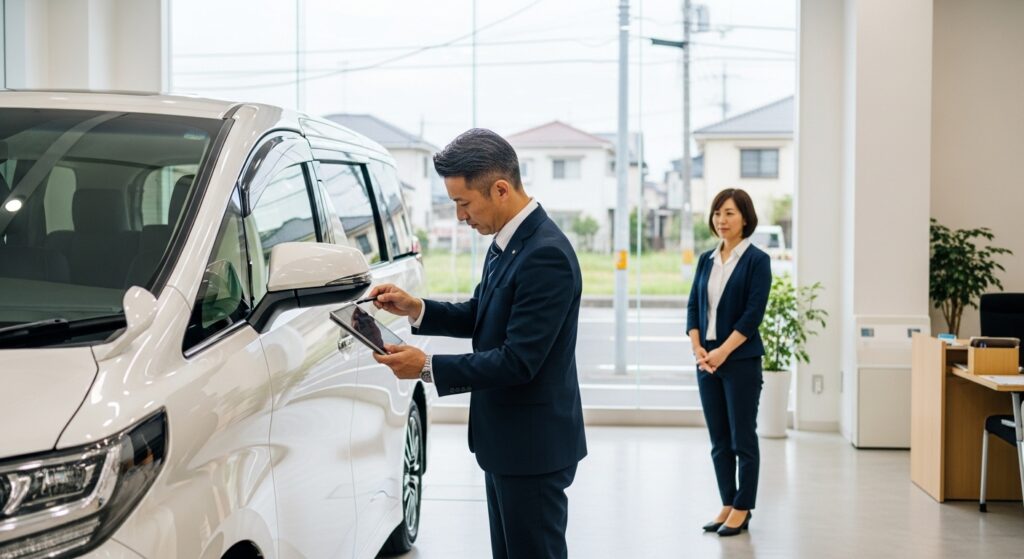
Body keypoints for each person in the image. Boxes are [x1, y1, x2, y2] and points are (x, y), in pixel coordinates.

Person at [368, 128, 587, 559]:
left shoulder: (546, 255)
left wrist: (427, 367)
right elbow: (483, 314)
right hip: (508, 441)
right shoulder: (507, 242)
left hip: (533, 449)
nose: (460, 217)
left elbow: (518, 361)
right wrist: (416, 308)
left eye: (463, 203)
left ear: (501, 189)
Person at [686, 188, 772, 537]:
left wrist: (722, 351)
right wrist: (698, 349)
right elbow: (694, 306)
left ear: (746, 218)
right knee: (719, 439)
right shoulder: (707, 259)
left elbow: (753, 315)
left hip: (740, 361)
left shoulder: (757, 261)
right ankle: (727, 501)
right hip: (706, 361)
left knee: (742, 438)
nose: (722, 220)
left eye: (730, 213)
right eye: (718, 213)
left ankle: (743, 506)